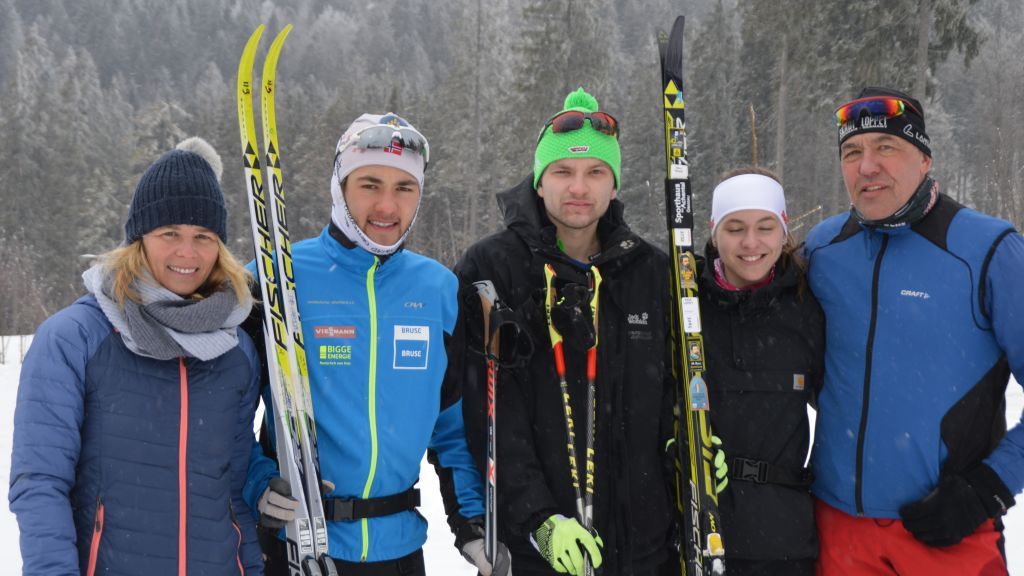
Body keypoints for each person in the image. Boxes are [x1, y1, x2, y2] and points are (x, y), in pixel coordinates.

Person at [454, 87, 726, 576]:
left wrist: (687, 446)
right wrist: (538, 519)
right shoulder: (491, 267)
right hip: (541, 551)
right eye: (563, 172)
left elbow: (668, 393)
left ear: (615, 184)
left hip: (644, 552)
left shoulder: (651, 272)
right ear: (539, 182)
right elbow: (488, 415)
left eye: (595, 172)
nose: (579, 187)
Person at [244, 112, 509, 576]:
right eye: (369, 184)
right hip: (298, 548)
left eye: (404, 188)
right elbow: (222, 416)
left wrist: (472, 524)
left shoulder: (439, 291)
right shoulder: (275, 277)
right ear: (340, 186)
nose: (387, 206)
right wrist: (258, 481)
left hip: (400, 553)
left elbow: (451, 429)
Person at [9, 138, 264, 575]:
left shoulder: (234, 347)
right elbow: (40, 484)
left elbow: (231, 482)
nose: (187, 252)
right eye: (170, 234)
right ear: (139, 240)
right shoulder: (74, 339)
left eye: (203, 236)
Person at [806, 86, 1024, 575]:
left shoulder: (988, 250)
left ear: (924, 159)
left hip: (947, 535)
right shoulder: (822, 249)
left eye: (887, 147)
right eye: (852, 152)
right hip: (836, 532)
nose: (867, 167)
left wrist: (987, 487)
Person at [699, 168, 822, 575]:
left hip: (781, 537)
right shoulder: (686, 303)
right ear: (715, 232)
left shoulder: (807, 307)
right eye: (735, 229)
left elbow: (842, 407)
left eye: (765, 227)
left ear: (784, 230)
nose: (751, 244)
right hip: (697, 526)